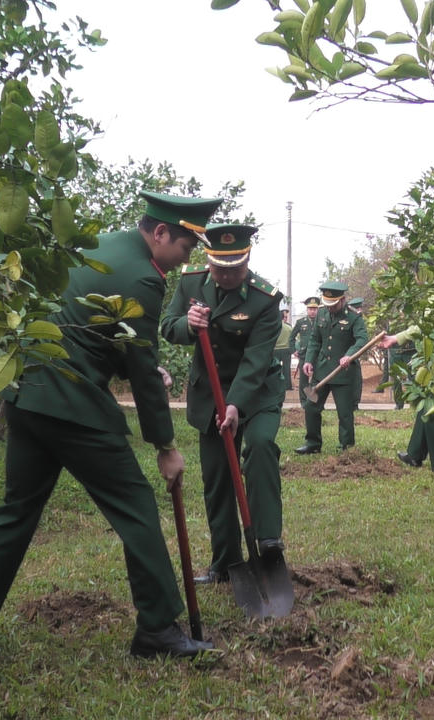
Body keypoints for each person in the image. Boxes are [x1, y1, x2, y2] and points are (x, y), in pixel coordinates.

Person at [0, 190, 223, 659]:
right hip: (73, 405)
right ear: (161, 233)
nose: (185, 260)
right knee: (136, 507)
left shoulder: (97, 245)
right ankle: (156, 631)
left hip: (27, 392)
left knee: (16, 509)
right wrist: (165, 446)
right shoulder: (143, 276)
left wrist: (139, 365)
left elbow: (92, 330)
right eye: (186, 248)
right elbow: (140, 363)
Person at [160, 223, 286, 585]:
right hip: (209, 394)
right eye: (220, 268)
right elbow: (168, 326)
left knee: (260, 445)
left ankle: (268, 541)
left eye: (236, 268)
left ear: (247, 260)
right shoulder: (190, 283)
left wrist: (235, 405)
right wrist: (188, 324)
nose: (227, 275)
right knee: (217, 477)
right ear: (208, 260)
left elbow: (256, 360)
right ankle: (226, 562)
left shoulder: (265, 299)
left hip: (256, 391)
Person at [378, 327, 434, 481]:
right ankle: (415, 455)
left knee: (432, 411)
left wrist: (396, 338)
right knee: (426, 407)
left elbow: (427, 325)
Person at [297, 281, 367, 454]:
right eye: (327, 304)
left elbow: (362, 340)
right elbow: (315, 339)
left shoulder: (354, 317)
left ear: (342, 300)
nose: (329, 308)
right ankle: (313, 444)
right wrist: (308, 360)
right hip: (321, 371)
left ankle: (346, 447)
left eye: (333, 304)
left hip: (343, 374)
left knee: (344, 413)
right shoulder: (321, 313)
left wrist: (349, 355)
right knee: (311, 406)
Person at [290, 297, 319, 403]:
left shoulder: (322, 322)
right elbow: (291, 338)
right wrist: (293, 350)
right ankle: (304, 402)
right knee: (303, 380)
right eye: (310, 309)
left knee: (317, 378)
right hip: (304, 355)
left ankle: (315, 400)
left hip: (318, 354)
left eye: (314, 309)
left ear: (317, 310)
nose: (312, 311)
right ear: (307, 310)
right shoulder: (300, 322)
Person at [346, 297, 366, 406]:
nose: (360, 311)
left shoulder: (359, 319)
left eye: (360, 308)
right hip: (344, 355)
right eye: (357, 308)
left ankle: (355, 404)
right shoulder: (347, 320)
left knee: (357, 380)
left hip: (354, 355)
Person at [275, 309, 294, 391]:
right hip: (286, 350)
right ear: (283, 318)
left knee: (275, 368)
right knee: (286, 368)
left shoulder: (274, 328)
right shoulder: (289, 327)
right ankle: (288, 386)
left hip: (275, 350)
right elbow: (293, 338)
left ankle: (276, 385)